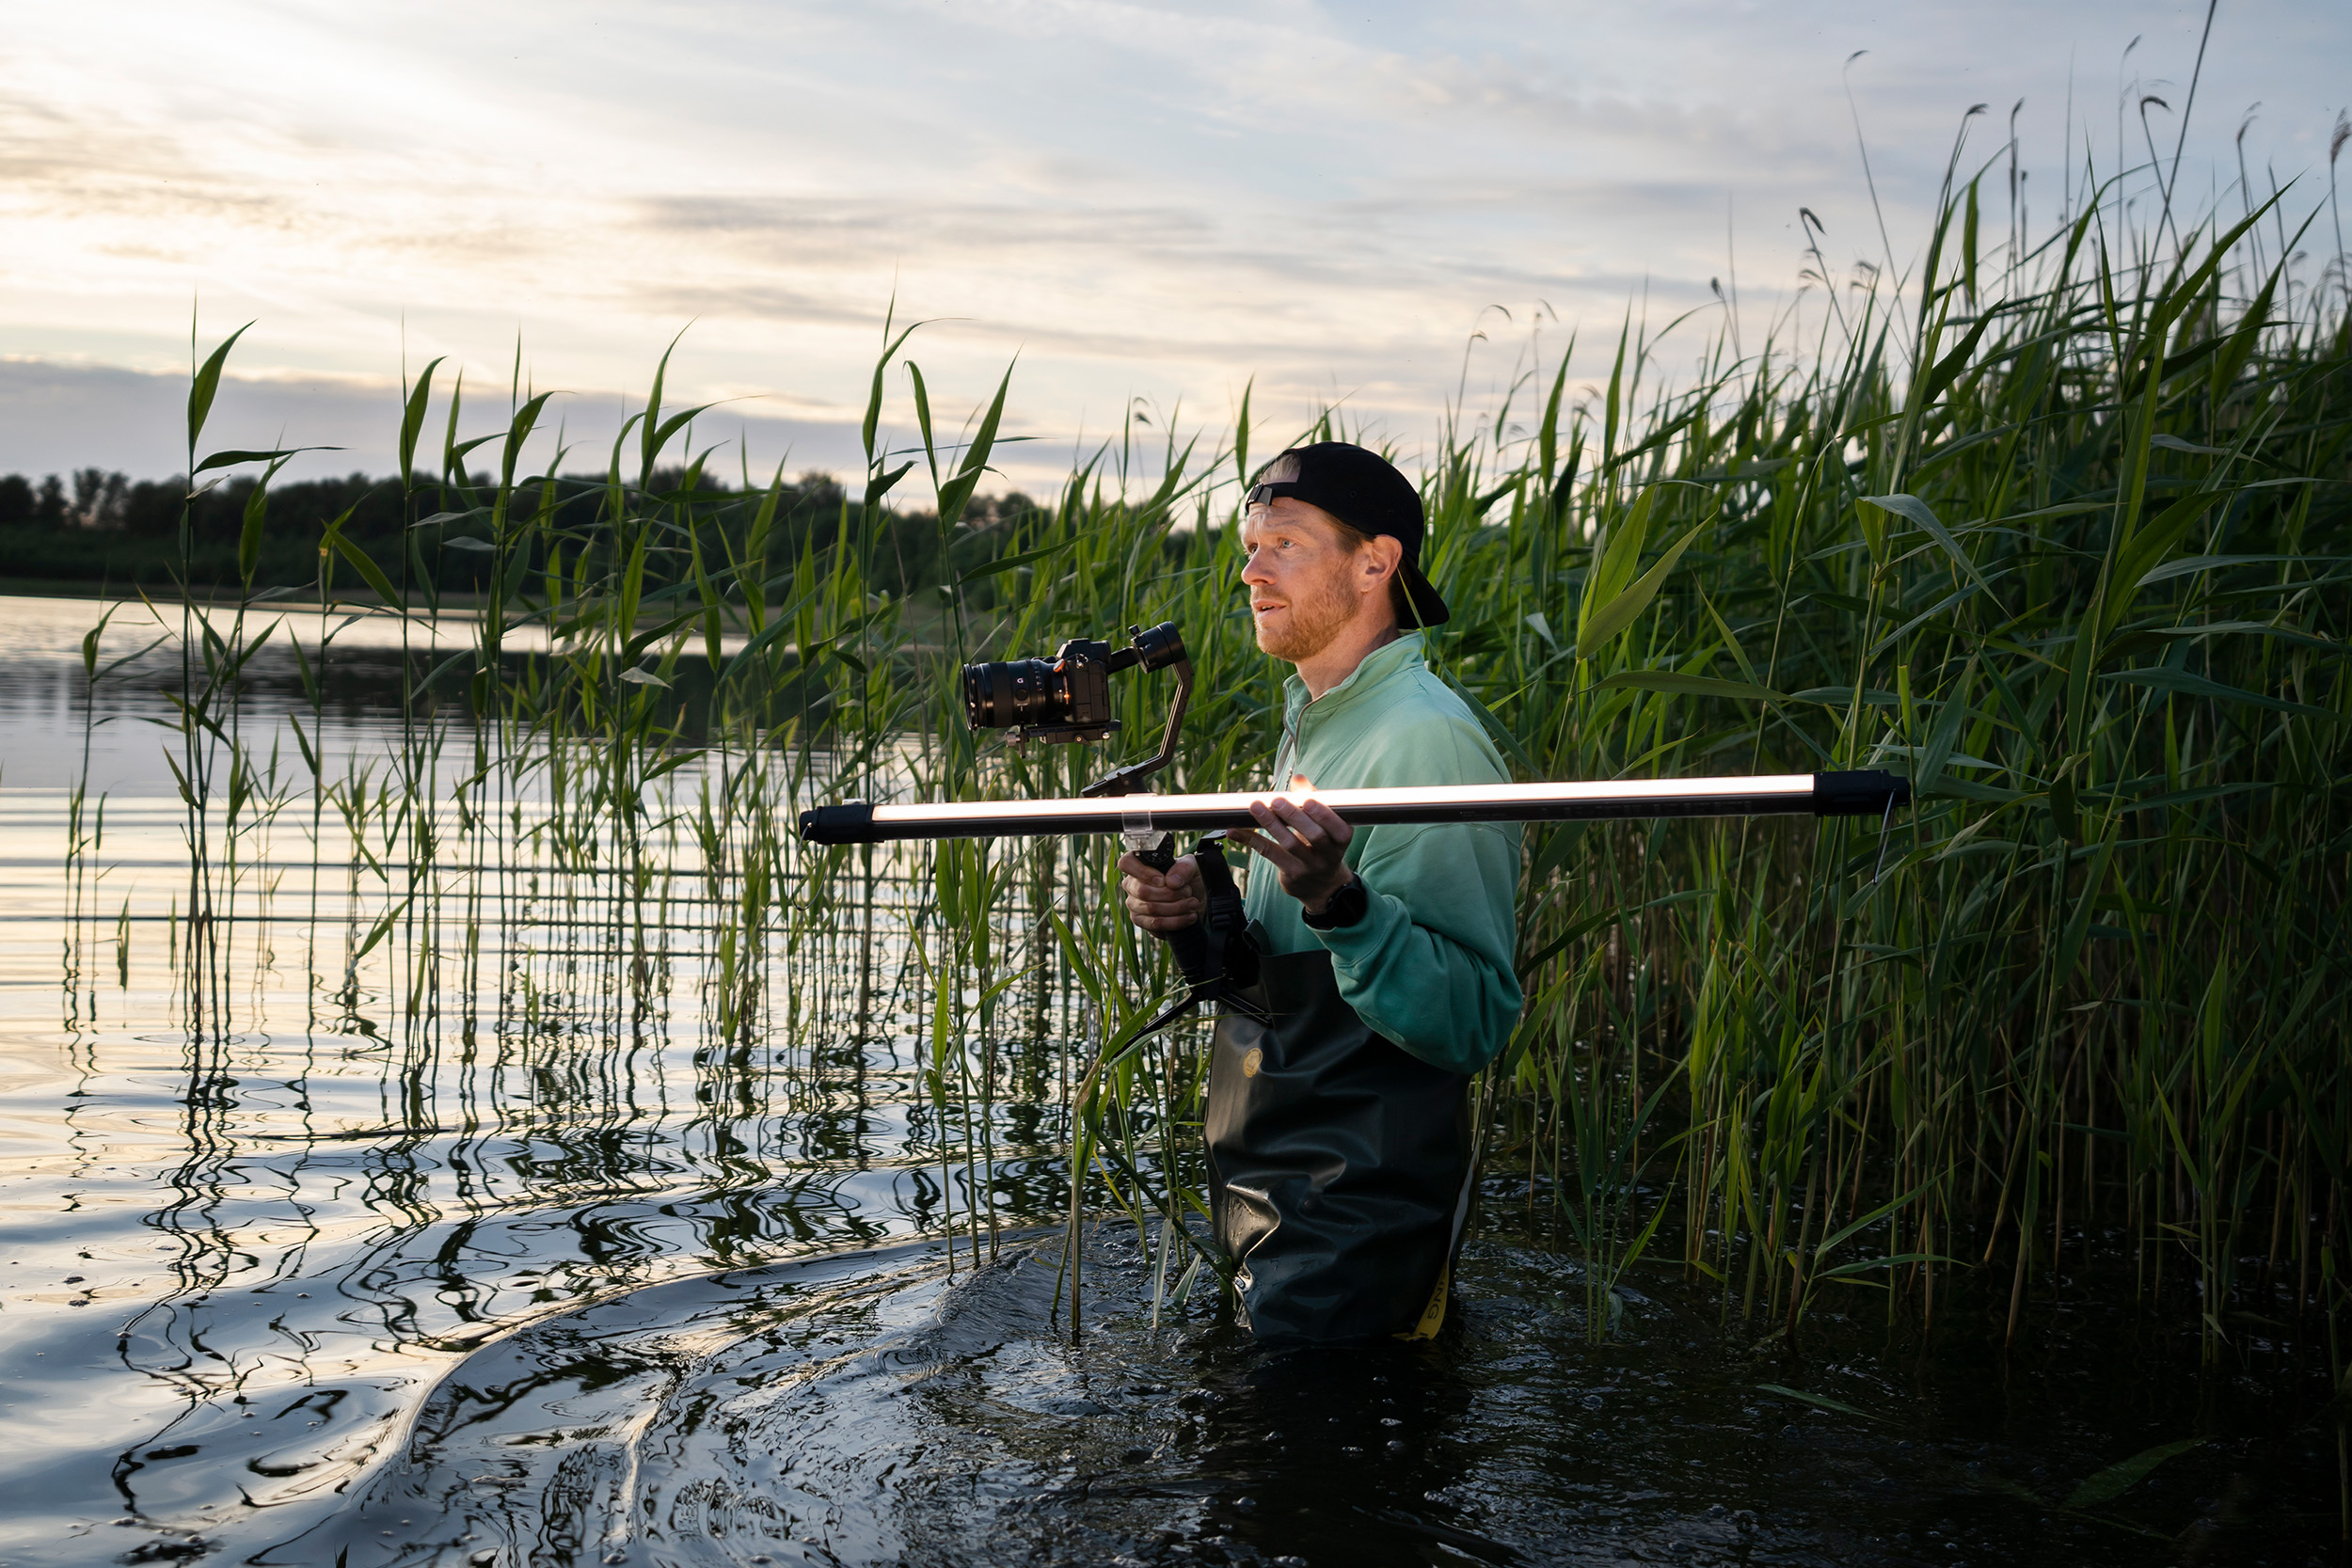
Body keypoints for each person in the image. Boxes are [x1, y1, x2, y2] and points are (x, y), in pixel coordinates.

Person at [1117, 441, 1522, 1342]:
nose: (1251, 571)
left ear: (1376, 562)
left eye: (1285, 544)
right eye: (1249, 547)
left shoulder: (1425, 744)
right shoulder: (1319, 723)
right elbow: (1297, 966)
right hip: (1276, 1203)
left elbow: (1472, 1019)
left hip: (1359, 1233)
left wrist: (1340, 901)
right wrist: (1201, 915)